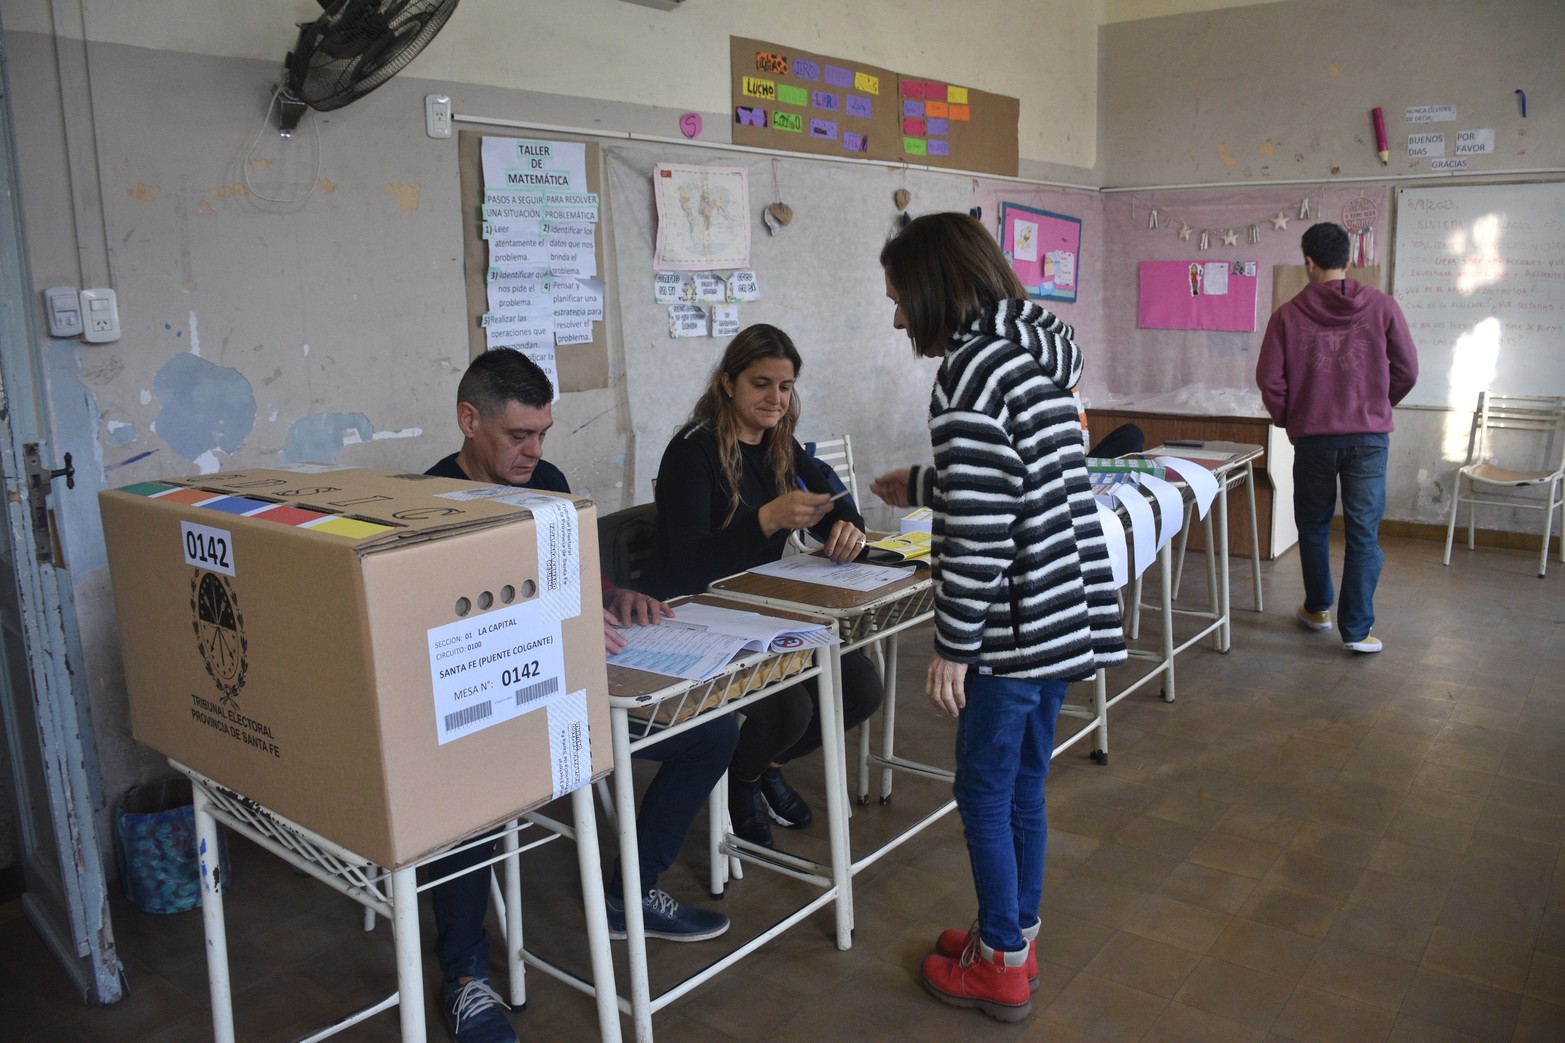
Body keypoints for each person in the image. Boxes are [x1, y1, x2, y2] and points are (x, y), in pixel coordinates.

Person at [425, 350, 737, 1043]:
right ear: (468, 420)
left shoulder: (550, 482)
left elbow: (571, 579)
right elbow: (437, 633)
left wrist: (611, 595)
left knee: (714, 730)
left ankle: (633, 888)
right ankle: (466, 976)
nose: (535, 451)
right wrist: (548, 623)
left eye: (543, 433)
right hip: (486, 711)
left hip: (567, 697)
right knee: (459, 800)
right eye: (518, 436)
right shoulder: (427, 504)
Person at [870, 212, 1126, 1023]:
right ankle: (1008, 931)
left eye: (901, 299)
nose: (899, 317)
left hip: (1011, 626)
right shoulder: (1032, 357)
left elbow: (982, 528)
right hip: (1059, 611)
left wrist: (951, 644)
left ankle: (1002, 966)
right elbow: (1023, 485)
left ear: (934, 287)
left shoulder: (970, 372)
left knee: (980, 789)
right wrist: (919, 483)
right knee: (1022, 783)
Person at [646, 324, 884, 850]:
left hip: (756, 608)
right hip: (693, 613)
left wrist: (848, 528)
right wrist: (765, 521)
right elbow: (688, 567)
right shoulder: (692, 451)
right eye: (761, 384)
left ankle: (755, 770)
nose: (775, 399)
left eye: (786, 386)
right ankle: (746, 780)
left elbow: (832, 502)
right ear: (727, 383)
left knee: (859, 686)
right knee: (790, 707)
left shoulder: (781, 444)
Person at [1256, 221, 1418, 654]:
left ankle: (1317, 609)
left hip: (1313, 440)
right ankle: (1358, 631)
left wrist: (1294, 419)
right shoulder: (1383, 307)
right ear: (1349, 260)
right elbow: (1408, 371)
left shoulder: (1286, 316)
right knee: (1364, 533)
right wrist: (1378, 406)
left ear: (1308, 263)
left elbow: (1270, 381)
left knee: (1313, 525)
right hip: (1369, 438)